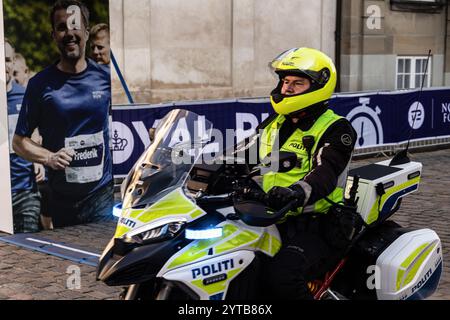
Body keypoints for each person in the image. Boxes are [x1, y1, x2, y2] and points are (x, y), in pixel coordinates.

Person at [259, 47, 357, 299]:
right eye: (285, 81)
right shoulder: (275, 123)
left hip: (319, 223)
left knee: (283, 275)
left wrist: (294, 192)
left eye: (297, 83)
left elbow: (325, 173)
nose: (287, 88)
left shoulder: (336, 128)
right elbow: (242, 156)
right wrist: (203, 167)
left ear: (318, 86)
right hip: (275, 217)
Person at [13, 0, 113, 228]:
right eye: (62, 27)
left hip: (101, 196)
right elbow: (19, 142)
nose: (69, 33)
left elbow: (131, 116)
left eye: (75, 25)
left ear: (86, 33)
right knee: (68, 261)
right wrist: (49, 157)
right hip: (62, 200)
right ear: (53, 35)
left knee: (103, 259)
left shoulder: (107, 78)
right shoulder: (40, 84)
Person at [5, 39, 44, 233]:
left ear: (13, 63)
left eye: (7, 60)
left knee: (28, 248)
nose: (3, 66)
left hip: (25, 191)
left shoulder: (24, 95)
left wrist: (38, 157)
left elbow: (35, 131)